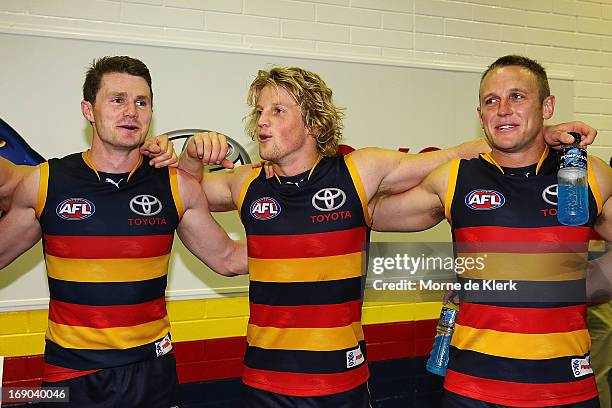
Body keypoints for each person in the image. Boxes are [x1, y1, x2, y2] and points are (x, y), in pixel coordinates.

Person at [164, 65, 598, 407]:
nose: (262, 121)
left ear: (312, 121)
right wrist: (189, 159)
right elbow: (181, 198)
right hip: (263, 380)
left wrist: (542, 136)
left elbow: (457, 155)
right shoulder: (245, 183)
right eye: (259, 111)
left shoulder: (360, 171)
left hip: (342, 381)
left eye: (277, 110)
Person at [0, 56, 247, 407]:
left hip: (151, 369)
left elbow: (227, 258)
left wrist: (310, 242)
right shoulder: (47, 182)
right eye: (117, 100)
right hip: (69, 374)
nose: (131, 111)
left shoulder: (175, 186)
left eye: (141, 102)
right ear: (89, 110)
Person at [372, 55, 612, 407]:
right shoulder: (454, 178)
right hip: (473, 391)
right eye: (491, 101)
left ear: (547, 106)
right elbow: (370, 208)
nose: (502, 109)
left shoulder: (589, 174)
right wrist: (468, 149)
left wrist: (589, 281)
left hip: (565, 388)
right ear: (480, 115)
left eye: (517, 97)